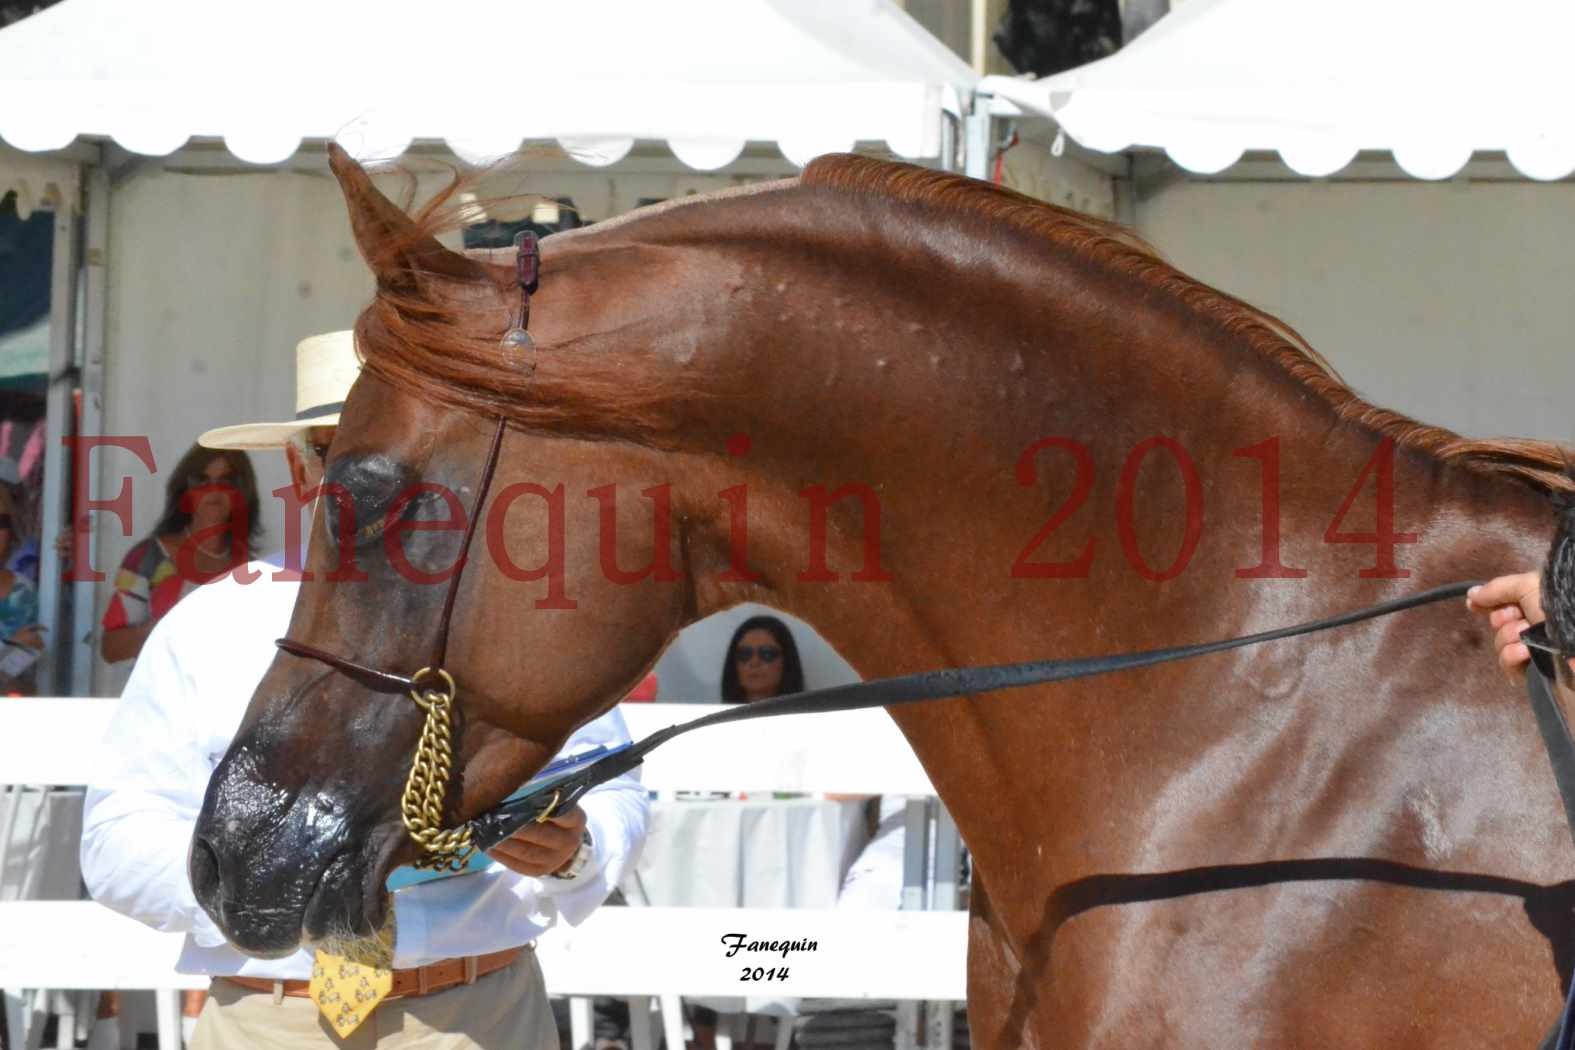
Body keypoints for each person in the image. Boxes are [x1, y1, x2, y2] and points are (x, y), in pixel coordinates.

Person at [81, 330, 650, 1050]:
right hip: (269, 1015)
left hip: (474, 1011)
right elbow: (116, 834)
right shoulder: (208, 623)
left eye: (404, 447)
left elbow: (614, 790)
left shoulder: (526, 617)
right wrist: (253, 891)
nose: (375, 472)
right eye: (337, 447)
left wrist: (576, 849)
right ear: (296, 464)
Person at [99, 443, 261, 664]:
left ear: (243, 492)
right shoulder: (148, 557)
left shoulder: (251, 570)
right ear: (185, 490)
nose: (213, 490)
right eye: (201, 480)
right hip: (159, 695)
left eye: (227, 481)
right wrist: (163, 628)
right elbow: (110, 648)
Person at [720, 615, 804, 703]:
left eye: (767, 654)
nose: (754, 662)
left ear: (787, 662)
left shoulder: (806, 716)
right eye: (745, 654)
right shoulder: (716, 714)